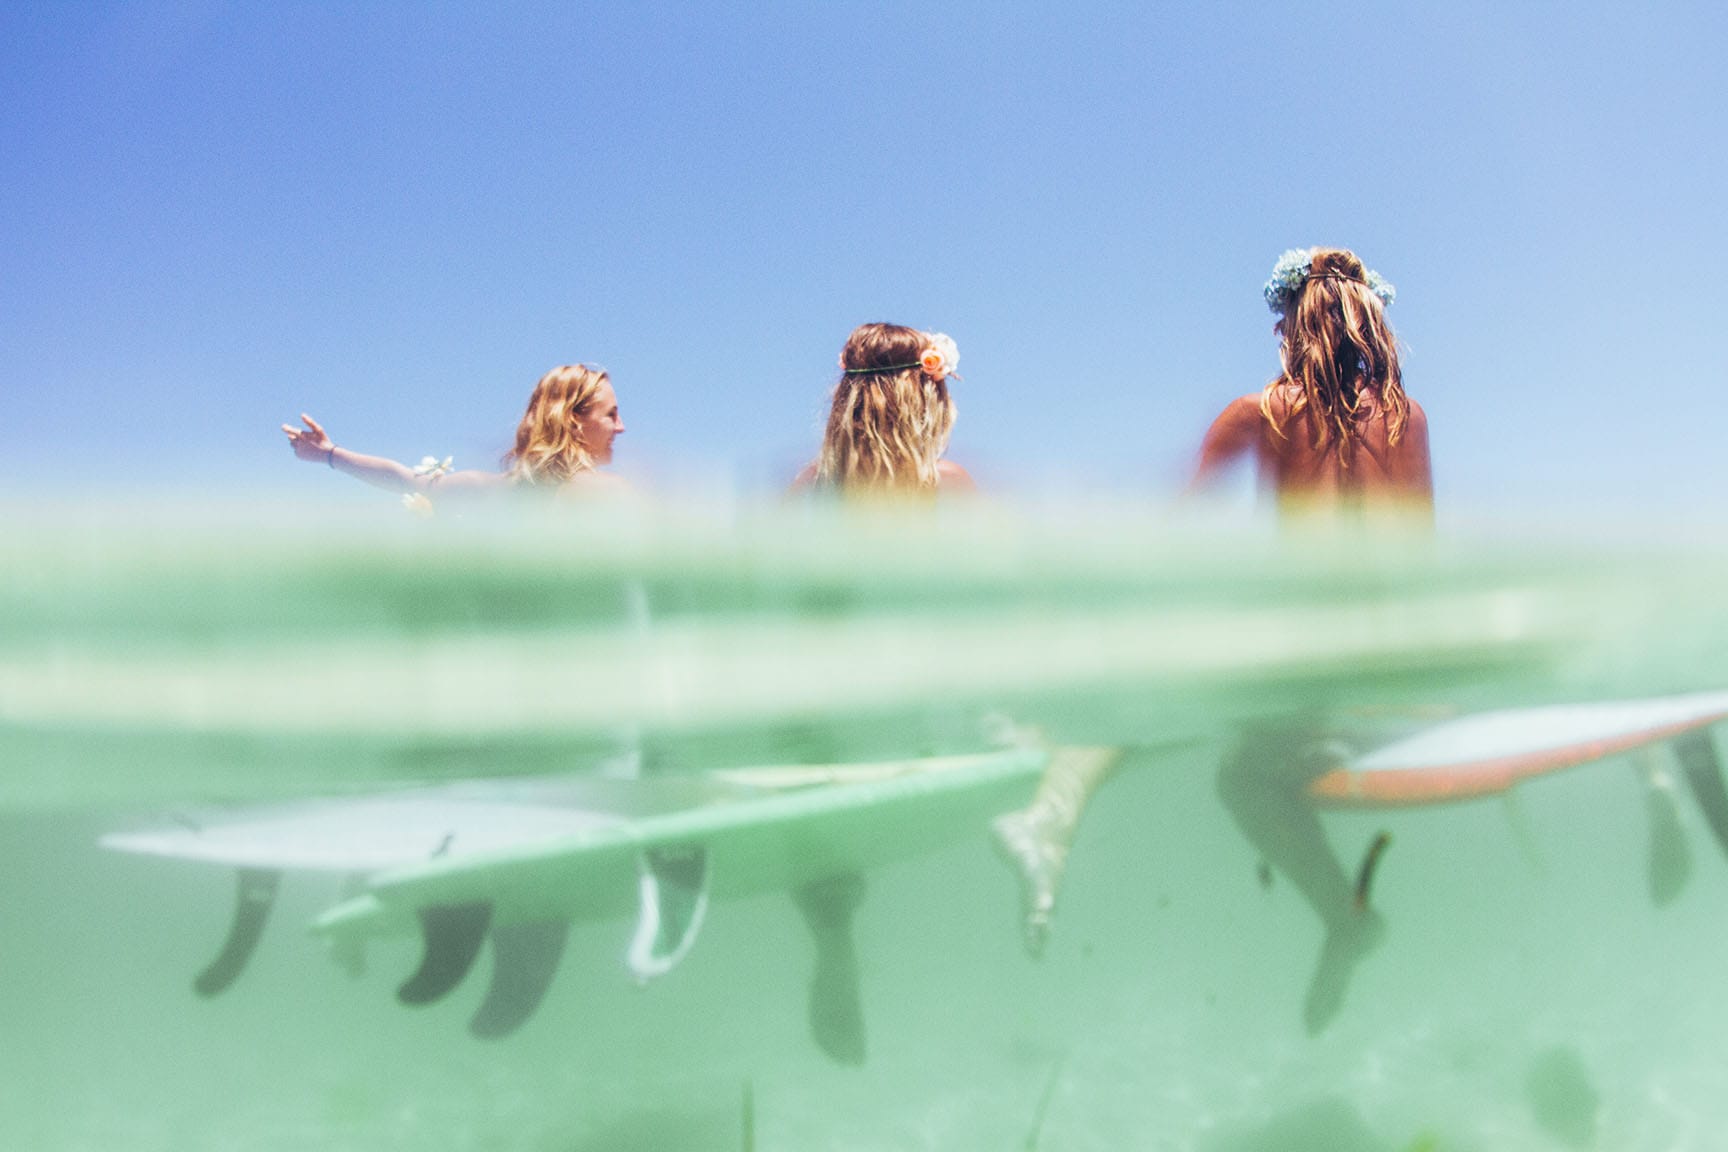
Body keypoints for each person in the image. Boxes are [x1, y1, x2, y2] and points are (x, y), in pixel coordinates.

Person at [993, 247, 1432, 1034]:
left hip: (1306, 662)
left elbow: (1173, 524)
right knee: (1242, 753)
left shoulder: (1259, 412)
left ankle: (1049, 825)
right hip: (1391, 662)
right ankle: (1346, 917)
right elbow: (1419, 556)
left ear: (1288, 327)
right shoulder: (1409, 417)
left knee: (1198, 739)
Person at [281, 363, 626, 500]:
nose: (621, 427)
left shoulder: (495, 493)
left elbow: (405, 480)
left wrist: (327, 454)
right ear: (573, 420)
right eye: (611, 415)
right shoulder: (615, 495)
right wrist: (326, 454)